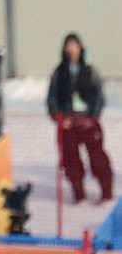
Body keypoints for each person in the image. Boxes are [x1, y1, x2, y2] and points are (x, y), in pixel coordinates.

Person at [47, 33, 113, 204]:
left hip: (88, 122)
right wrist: (59, 117)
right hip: (68, 122)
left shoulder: (90, 71)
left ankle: (106, 192)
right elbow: (52, 97)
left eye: (74, 45)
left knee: (98, 157)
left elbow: (99, 96)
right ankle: (79, 194)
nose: (71, 49)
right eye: (68, 46)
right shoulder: (59, 73)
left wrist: (92, 116)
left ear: (80, 48)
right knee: (71, 159)